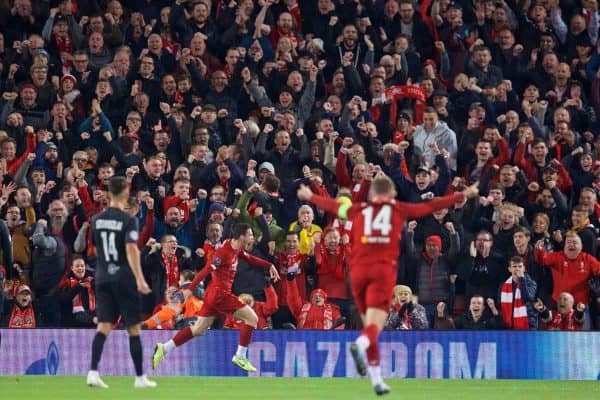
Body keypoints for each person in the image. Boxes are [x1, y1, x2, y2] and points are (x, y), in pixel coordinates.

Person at [297, 175, 479, 395]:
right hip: (382, 271)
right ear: (391, 194)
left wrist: (310, 196)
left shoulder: (360, 210)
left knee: (370, 323)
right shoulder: (398, 209)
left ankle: (376, 380)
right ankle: (361, 345)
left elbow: (334, 206)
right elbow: (431, 205)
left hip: (359, 272)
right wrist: (463, 195)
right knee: (376, 324)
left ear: (373, 195)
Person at [151, 223, 280, 373]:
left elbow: (249, 258)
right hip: (220, 295)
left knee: (198, 329)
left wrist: (269, 265)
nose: (252, 238)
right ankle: (240, 356)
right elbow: (205, 270)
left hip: (214, 295)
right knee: (252, 318)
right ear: (242, 237)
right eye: (250, 235)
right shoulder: (223, 253)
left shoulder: (235, 248)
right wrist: (189, 290)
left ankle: (164, 348)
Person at [86, 176, 155, 389]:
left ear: (108, 193)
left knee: (104, 325)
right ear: (125, 193)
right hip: (123, 278)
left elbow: (96, 247)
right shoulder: (128, 220)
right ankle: (140, 378)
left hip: (103, 277)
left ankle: (93, 372)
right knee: (133, 327)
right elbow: (131, 249)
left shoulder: (97, 219)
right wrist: (140, 279)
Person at [498, 256, 538, 330]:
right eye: (514, 266)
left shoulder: (531, 283)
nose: (517, 269)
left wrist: (522, 280)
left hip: (528, 326)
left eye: (520, 266)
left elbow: (527, 299)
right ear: (509, 269)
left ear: (524, 269)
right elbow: (500, 305)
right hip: (508, 327)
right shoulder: (503, 286)